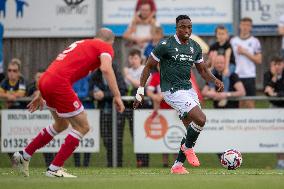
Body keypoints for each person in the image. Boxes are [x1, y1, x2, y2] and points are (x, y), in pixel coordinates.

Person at [12, 28, 125, 178]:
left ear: (95, 36)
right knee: (83, 126)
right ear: (111, 41)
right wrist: (117, 95)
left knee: (61, 124)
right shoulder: (105, 47)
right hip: (59, 84)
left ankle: (24, 155)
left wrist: (41, 92)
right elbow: (106, 68)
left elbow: (58, 66)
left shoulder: (81, 43)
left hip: (46, 80)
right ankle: (54, 168)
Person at [133, 15, 224, 174]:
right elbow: (148, 67)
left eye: (189, 27)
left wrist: (215, 80)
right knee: (201, 119)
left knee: (192, 128)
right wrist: (140, 90)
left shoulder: (195, 47)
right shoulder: (165, 44)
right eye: (183, 26)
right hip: (172, 90)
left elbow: (202, 70)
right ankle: (188, 148)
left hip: (188, 89)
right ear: (176, 28)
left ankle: (177, 166)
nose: (187, 30)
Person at [90, 63, 127, 167]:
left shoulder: (116, 71)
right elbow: (89, 91)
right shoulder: (95, 74)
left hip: (117, 112)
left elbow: (122, 90)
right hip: (103, 112)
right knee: (106, 140)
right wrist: (94, 95)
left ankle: (118, 164)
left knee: (117, 139)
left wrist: (104, 95)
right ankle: (110, 163)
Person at [146, 63, 177, 167]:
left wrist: (163, 95)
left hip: (173, 111)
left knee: (175, 136)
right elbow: (149, 91)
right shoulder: (155, 77)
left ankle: (177, 162)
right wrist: (155, 97)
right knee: (164, 137)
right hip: (162, 112)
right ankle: (165, 163)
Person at [123, 48, 150, 167]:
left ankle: (145, 161)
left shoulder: (144, 70)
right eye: (131, 58)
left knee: (143, 134)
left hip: (143, 108)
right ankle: (139, 161)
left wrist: (128, 76)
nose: (133, 60)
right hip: (130, 107)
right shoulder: (127, 71)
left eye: (135, 58)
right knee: (134, 134)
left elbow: (140, 85)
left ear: (140, 59)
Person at [0, 58, 27, 167]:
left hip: (20, 114)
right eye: (9, 70)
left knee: (20, 138)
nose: (11, 73)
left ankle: (20, 160)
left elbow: (21, 93)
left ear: (19, 72)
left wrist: (8, 96)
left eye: (14, 71)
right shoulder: (5, 81)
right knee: (5, 138)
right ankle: (14, 160)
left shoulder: (22, 80)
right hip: (8, 115)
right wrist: (9, 96)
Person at [230, 17, 262, 108]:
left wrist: (245, 52)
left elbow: (259, 60)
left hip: (249, 76)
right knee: (239, 103)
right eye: (243, 25)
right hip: (236, 75)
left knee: (250, 103)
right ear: (240, 26)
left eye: (248, 25)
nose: (245, 27)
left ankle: (252, 121)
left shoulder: (255, 41)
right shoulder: (233, 41)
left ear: (251, 27)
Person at [26, 69, 56, 167]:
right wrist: (32, 96)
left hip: (49, 120)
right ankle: (24, 157)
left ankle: (52, 165)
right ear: (35, 78)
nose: (40, 79)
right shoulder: (30, 88)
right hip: (31, 123)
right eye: (38, 77)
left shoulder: (51, 87)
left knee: (50, 144)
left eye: (42, 77)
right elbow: (24, 99)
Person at [263, 57, 284, 169]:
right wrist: (274, 78)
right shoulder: (268, 75)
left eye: (280, 64)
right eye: (275, 64)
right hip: (274, 108)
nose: (278, 66)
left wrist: (276, 94)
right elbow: (267, 91)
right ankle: (281, 162)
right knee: (277, 136)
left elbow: (274, 93)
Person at [72, 75, 95, 167]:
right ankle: (77, 164)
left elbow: (86, 92)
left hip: (88, 110)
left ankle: (86, 164)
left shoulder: (87, 77)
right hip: (74, 111)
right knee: (75, 136)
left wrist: (74, 95)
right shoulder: (71, 77)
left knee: (87, 137)